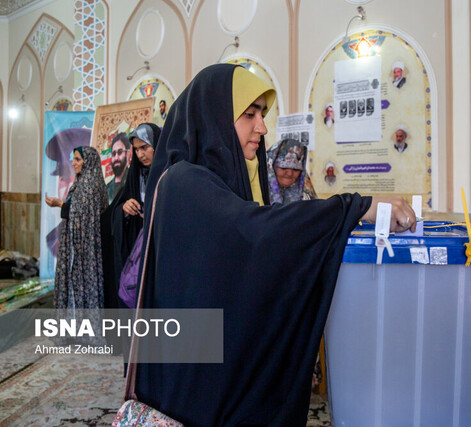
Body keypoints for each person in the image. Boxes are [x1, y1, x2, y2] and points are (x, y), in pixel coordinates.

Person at [134, 64, 416, 426]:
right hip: (192, 382)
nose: (262, 127)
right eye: (249, 115)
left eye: (263, 115)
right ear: (213, 115)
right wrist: (356, 206)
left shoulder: (218, 178)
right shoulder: (184, 181)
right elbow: (255, 234)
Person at [44, 146, 108, 310]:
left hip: (85, 252)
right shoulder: (80, 183)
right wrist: (62, 205)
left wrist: (59, 204)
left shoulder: (91, 185)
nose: (73, 163)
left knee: (84, 286)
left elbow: (82, 214)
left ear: (89, 162)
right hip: (74, 248)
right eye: (74, 159)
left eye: (78, 159)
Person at [110, 123, 161, 304]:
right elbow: (114, 213)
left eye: (145, 147)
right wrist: (125, 208)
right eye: (137, 149)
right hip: (138, 252)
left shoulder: (169, 173)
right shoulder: (135, 176)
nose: (140, 154)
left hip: (160, 250)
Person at [43, 127, 92, 258]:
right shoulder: (52, 240)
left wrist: (60, 204)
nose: (68, 185)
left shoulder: (96, 193)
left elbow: (84, 214)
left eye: (75, 176)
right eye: (63, 178)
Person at [266, 138, 316, 204]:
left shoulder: (306, 196)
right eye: (283, 167)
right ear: (272, 167)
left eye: (296, 169)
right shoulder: (257, 193)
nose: (289, 173)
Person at [106, 132, 132, 202]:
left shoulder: (133, 180)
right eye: (114, 154)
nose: (116, 158)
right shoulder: (107, 188)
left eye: (120, 152)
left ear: (128, 153)